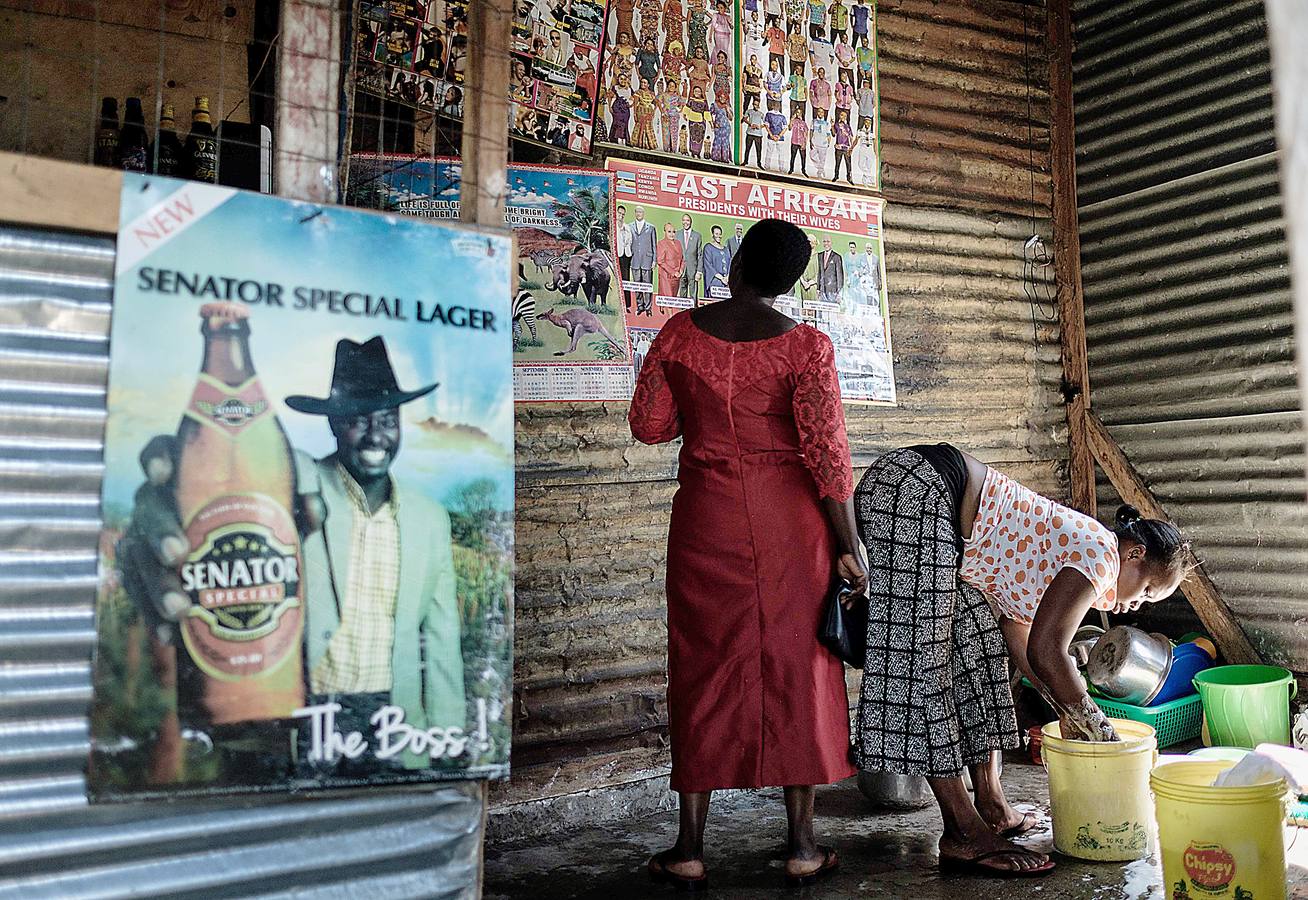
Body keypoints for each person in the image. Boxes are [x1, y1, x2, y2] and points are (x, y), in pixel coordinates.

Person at [629, 219, 867, 890]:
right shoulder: (807, 346)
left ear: (734, 264)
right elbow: (827, 453)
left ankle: (689, 849)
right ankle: (801, 844)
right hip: (791, 524)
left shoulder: (679, 333)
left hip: (706, 517)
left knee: (702, 665)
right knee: (799, 664)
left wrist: (698, 415)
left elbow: (649, 426)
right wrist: (849, 546)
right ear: (791, 284)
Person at [118, 337, 465, 779]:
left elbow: (442, 639)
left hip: (396, 723)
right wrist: (180, 481)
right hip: (305, 718)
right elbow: (236, 482)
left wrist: (450, 739)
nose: (376, 435)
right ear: (334, 425)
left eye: (387, 420)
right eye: (359, 421)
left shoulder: (429, 518)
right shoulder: (297, 481)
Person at [850, 446, 1189, 876]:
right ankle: (962, 832)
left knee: (982, 650)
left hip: (930, 506)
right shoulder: (1101, 554)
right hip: (913, 487)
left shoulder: (1069, 568)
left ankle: (991, 805)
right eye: (1144, 592)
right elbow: (1050, 653)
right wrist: (1097, 726)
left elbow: (1027, 644)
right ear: (1135, 554)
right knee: (921, 662)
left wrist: (1067, 709)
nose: (1136, 605)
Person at [676, 213, 703, 301]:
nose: (685, 222)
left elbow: (700, 255)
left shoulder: (697, 236)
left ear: (691, 222)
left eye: (687, 220)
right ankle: (683, 311)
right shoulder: (677, 234)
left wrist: (699, 271)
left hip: (693, 269)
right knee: (682, 291)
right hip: (681, 269)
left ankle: (693, 311)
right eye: (683, 220)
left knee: (693, 293)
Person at [629, 205, 657, 287]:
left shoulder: (651, 227)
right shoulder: (629, 227)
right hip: (634, 260)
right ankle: (638, 300)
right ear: (635, 213)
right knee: (637, 285)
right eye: (637, 212)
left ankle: (648, 300)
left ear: (643, 213)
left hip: (647, 260)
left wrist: (654, 260)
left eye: (640, 212)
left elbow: (654, 245)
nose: (639, 214)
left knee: (647, 286)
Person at [700, 225, 731, 299]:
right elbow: (708, 265)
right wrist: (721, 278)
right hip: (715, 280)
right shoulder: (708, 247)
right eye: (716, 234)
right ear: (713, 235)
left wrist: (727, 277)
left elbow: (730, 264)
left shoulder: (726, 249)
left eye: (720, 234)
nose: (718, 236)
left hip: (726, 281)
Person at [656, 221, 685, 298]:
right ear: (664, 232)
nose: (672, 234)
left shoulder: (678, 243)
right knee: (667, 300)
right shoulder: (661, 243)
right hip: (666, 277)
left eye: (674, 232)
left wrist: (681, 270)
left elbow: (682, 258)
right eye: (669, 232)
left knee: (673, 299)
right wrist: (673, 272)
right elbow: (660, 261)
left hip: (677, 277)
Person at [616, 205, 634, 312]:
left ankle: (627, 305)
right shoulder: (613, 226)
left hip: (626, 256)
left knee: (626, 279)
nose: (621, 216)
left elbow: (630, 241)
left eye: (623, 214)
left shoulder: (627, 227)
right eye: (620, 213)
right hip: (616, 254)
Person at [816, 235, 843, 304]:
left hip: (833, 292)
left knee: (832, 312)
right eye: (824, 241)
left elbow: (840, 276)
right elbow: (819, 273)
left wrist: (839, 293)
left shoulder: (837, 257)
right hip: (822, 291)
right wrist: (818, 289)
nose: (826, 243)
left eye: (828, 241)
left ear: (831, 243)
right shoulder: (819, 256)